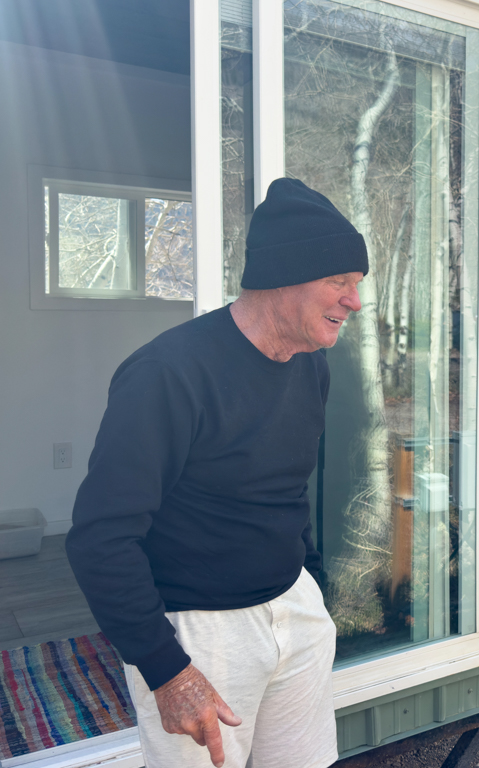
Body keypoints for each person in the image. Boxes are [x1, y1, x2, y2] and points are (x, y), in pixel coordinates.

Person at [66, 178, 366, 768]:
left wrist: (309, 583)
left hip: (294, 613)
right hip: (202, 636)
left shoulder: (311, 368)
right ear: (282, 276)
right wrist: (165, 668)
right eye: (338, 282)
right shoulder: (167, 373)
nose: (353, 301)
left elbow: (285, 491)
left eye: (357, 285)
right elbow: (100, 538)